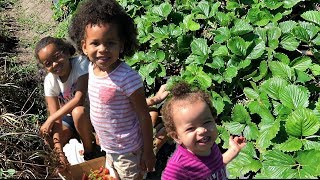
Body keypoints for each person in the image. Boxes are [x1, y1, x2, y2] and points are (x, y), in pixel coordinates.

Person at [68, 0, 156, 178]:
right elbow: (101, 108)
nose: (102, 49)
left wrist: (148, 152)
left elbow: (143, 115)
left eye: (110, 43)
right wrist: (100, 134)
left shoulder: (127, 77)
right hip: (109, 146)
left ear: (122, 45)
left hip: (128, 150)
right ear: (84, 46)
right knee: (112, 175)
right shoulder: (91, 70)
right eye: (95, 43)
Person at [34, 36, 98, 171]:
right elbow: (56, 118)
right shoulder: (50, 81)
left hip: (91, 112)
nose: (55, 64)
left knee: (78, 112)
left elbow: (79, 99)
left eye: (57, 57)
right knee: (48, 136)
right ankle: (63, 156)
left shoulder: (81, 63)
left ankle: (89, 151)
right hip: (68, 118)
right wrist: (59, 153)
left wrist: (50, 119)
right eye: (48, 63)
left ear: (67, 52)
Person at [161, 82, 246, 180]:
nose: (202, 130)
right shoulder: (178, 167)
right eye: (190, 128)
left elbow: (215, 166)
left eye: (207, 122)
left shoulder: (210, 145)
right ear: (176, 137)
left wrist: (233, 150)